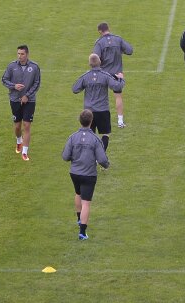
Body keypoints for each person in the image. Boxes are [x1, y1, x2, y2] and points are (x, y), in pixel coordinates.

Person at [62, 109, 110, 240]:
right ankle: (82, 232)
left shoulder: (72, 137)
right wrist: (107, 165)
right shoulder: (95, 139)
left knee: (78, 193)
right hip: (88, 174)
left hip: (74, 173)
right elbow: (102, 159)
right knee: (86, 203)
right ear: (91, 121)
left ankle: (79, 219)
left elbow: (65, 156)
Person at [72, 54, 124, 152]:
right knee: (105, 134)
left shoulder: (85, 76)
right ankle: (99, 157)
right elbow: (117, 87)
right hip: (102, 110)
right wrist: (121, 79)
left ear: (89, 63)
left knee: (89, 135)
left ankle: (90, 158)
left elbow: (75, 89)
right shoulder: (105, 75)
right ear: (100, 62)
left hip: (88, 112)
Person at [2, 45, 41, 161]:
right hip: (14, 99)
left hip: (29, 100)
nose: (20, 56)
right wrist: (14, 86)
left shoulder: (34, 67)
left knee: (27, 125)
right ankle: (19, 141)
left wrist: (27, 95)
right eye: (18, 54)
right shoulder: (11, 66)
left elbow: (37, 83)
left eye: (22, 54)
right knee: (18, 126)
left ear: (27, 54)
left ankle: (25, 152)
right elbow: (4, 80)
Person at [93, 23, 134, 128]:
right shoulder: (118, 39)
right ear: (108, 29)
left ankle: (98, 120)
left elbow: (95, 59)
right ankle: (120, 121)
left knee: (100, 97)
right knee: (118, 97)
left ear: (99, 31)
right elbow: (130, 50)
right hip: (117, 74)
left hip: (103, 74)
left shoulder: (99, 43)